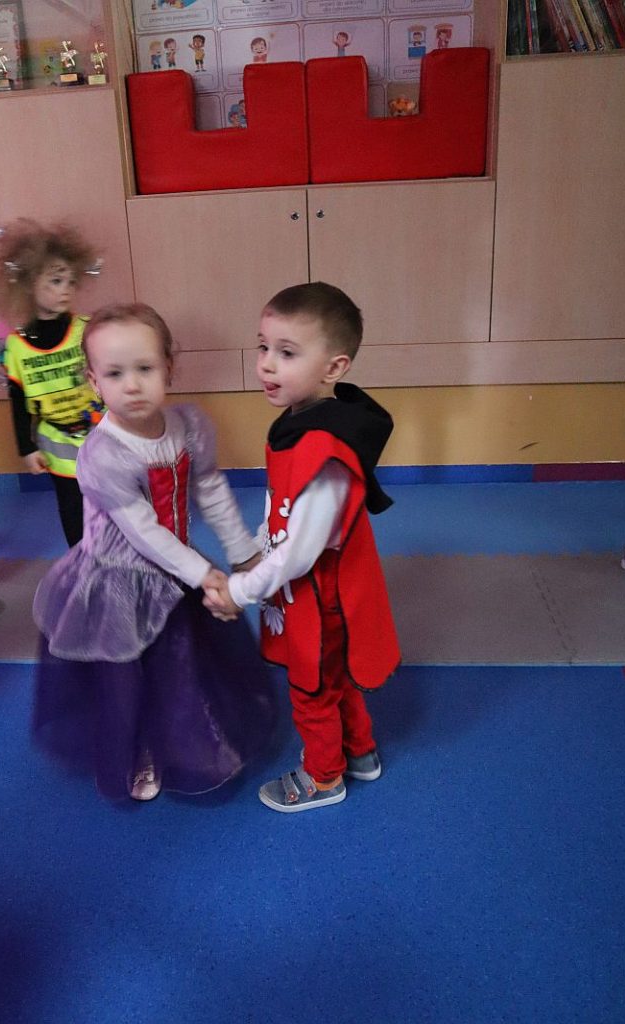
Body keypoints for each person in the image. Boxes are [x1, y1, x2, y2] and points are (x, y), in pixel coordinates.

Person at [32, 302, 276, 802]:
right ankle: (134, 749)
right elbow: (143, 531)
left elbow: (209, 489)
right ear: (94, 382)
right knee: (126, 676)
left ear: (169, 367)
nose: (132, 385)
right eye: (114, 374)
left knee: (179, 664)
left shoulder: (189, 426)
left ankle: (181, 743)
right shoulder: (102, 454)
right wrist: (202, 574)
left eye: (144, 368)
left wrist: (243, 552)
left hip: (172, 568)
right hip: (116, 579)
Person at [204, 282, 400, 812]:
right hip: (309, 593)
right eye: (263, 346)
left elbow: (299, 554)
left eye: (287, 353)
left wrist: (241, 590)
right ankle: (360, 752)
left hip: (321, 600)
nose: (267, 364)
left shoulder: (325, 452)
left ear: (334, 368)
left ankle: (324, 777)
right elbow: (282, 516)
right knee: (335, 677)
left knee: (312, 688)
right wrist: (255, 551)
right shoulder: (297, 424)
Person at [0, 218, 104, 547]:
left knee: (114, 503)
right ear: (28, 284)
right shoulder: (16, 347)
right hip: (58, 446)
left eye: (70, 281)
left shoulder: (88, 330)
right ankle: (81, 560)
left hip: (102, 437)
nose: (66, 289)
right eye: (56, 281)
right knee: (71, 507)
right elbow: (18, 402)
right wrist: (27, 449)